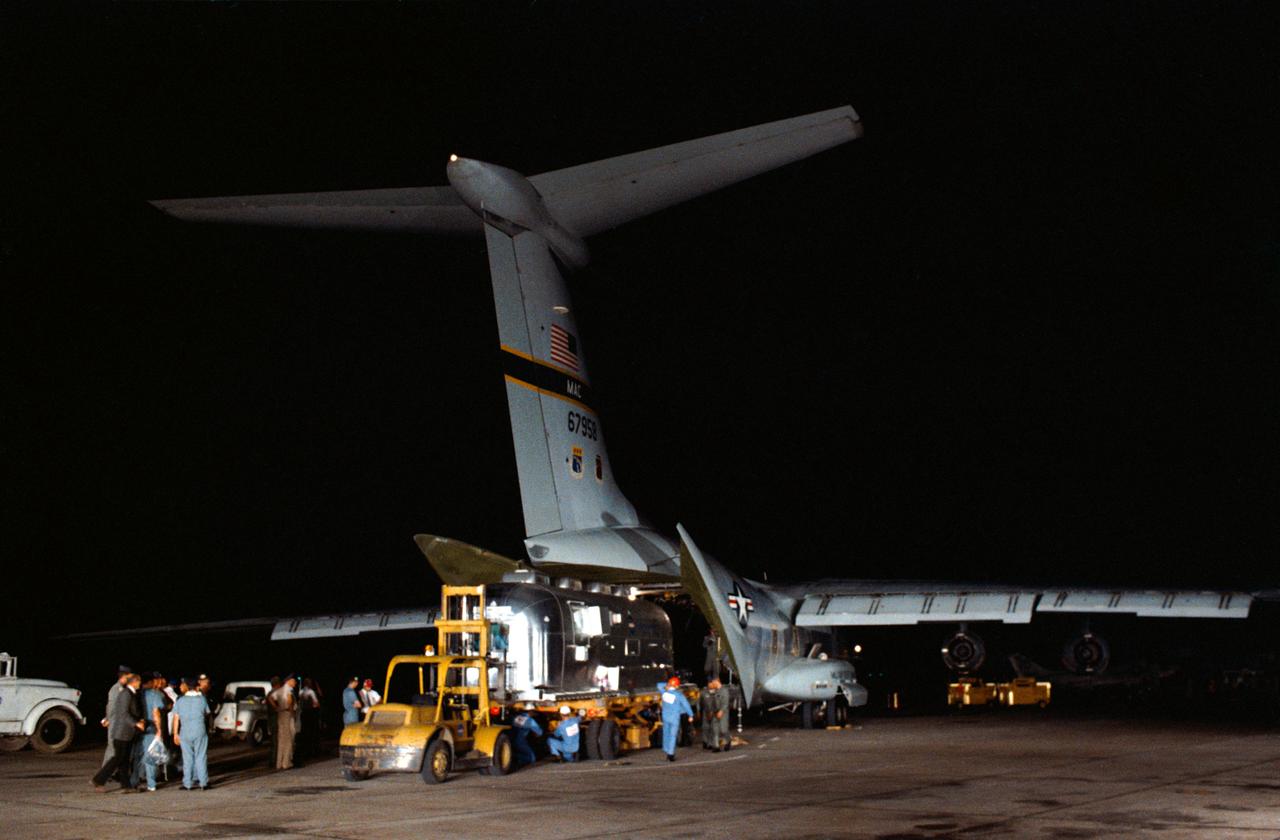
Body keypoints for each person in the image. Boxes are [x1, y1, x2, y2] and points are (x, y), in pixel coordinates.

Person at [92, 672, 145, 791]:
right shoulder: (126, 694)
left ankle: (126, 785)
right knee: (118, 758)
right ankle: (99, 779)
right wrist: (136, 723)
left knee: (124, 760)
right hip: (122, 732)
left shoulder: (131, 693)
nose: (140, 684)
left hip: (126, 732)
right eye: (139, 681)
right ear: (134, 682)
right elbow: (124, 714)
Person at [172, 678, 210, 790]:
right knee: (201, 756)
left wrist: (175, 734)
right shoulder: (202, 700)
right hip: (199, 730)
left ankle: (187, 783)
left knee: (187, 758)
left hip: (185, 731)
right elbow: (207, 713)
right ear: (197, 687)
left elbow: (176, 718)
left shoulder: (180, 700)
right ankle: (203, 782)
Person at [99, 666, 131, 775]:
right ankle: (104, 773)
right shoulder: (116, 689)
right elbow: (111, 706)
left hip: (118, 722)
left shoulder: (123, 688)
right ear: (124, 676)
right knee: (112, 748)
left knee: (116, 750)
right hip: (114, 722)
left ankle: (111, 773)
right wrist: (107, 719)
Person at [657, 677, 693, 761]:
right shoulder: (679, 695)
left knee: (666, 734)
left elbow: (658, 685)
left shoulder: (664, 692)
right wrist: (691, 715)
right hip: (674, 718)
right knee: (673, 735)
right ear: (677, 686)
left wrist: (667, 685)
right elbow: (686, 705)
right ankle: (670, 754)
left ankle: (666, 750)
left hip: (665, 717)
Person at [271, 676, 298, 769]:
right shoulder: (288, 690)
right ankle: (286, 763)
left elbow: (270, 697)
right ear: (288, 681)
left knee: (281, 739)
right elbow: (290, 701)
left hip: (280, 714)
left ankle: (279, 763)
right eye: (293, 681)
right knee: (289, 740)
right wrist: (291, 713)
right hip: (287, 715)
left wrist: (276, 708)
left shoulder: (280, 690)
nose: (295, 683)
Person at [699, 678, 730, 752]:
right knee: (714, 729)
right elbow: (711, 702)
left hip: (723, 713)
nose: (712, 684)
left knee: (723, 729)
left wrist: (721, 711)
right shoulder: (714, 691)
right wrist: (711, 711)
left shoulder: (724, 691)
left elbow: (726, 702)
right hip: (715, 712)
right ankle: (716, 746)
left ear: (717, 682)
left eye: (713, 682)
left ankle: (728, 741)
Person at [298, 678, 321, 760]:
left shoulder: (300, 692)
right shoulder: (311, 692)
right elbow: (316, 703)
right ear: (309, 684)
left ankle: (305, 751)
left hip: (303, 714)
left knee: (305, 733)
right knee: (313, 732)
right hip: (311, 714)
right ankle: (313, 751)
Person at [266, 675, 282, 747]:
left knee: (273, 739)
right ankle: (275, 757)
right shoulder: (275, 693)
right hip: (275, 718)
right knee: (276, 740)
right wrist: (277, 708)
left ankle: (273, 756)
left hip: (271, 717)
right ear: (278, 684)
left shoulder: (269, 692)